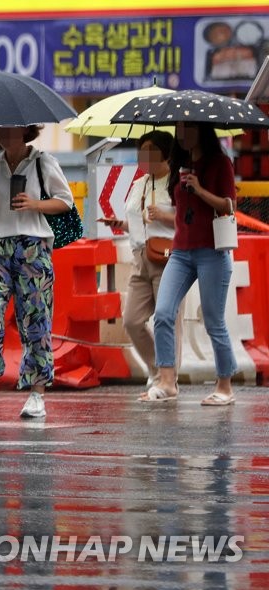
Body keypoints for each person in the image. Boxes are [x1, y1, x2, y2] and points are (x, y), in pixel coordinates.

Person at [0, 125, 75, 420]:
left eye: (13, 129)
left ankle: (37, 395)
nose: (7, 134)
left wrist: (35, 204)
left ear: (26, 131)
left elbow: (65, 201)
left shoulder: (42, 162)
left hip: (32, 246)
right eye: (2, 130)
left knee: (35, 318)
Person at [141, 121, 238, 405]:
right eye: (179, 130)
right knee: (163, 313)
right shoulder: (179, 164)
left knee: (213, 320)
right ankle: (168, 381)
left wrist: (199, 189)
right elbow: (181, 209)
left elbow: (229, 205)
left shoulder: (220, 163)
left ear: (201, 131)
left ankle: (225, 386)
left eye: (188, 129)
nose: (182, 135)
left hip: (212, 250)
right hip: (181, 251)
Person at [98, 130, 182, 394]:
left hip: (169, 259)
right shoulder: (140, 184)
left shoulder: (178, 183)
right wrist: (120, 224)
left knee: (167, 320)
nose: (144, 157)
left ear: (166, 154)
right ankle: (158, 370)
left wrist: (166, 217)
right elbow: (138, 221)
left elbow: (191, 220)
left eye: (151, 152)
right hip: (140, 258)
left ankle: (170, 379)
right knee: (132, 321)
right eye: (141, 152)